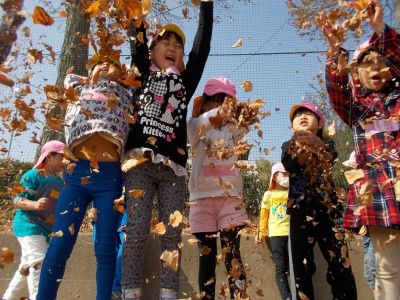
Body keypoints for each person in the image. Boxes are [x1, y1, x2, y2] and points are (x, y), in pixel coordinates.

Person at [121, 1, 214, 299]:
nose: (172, 46)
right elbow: (136, 30)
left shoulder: (185, 82)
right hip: (139, 163)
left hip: (173, 168)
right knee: (136, 229)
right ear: (151, 52)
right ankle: (130, 292)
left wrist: (207, 7)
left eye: (178, 45)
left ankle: (168, 293)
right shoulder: (141, 73)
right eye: (165, 41)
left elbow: (203, 43)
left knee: (172, 233)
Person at [318, 0, 400, 298]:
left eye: (381, 61)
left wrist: (380, 29)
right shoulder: (357, 109)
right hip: (379, 192)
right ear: (356, 75)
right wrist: (334, 51)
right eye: (366, 63)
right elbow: (336, 91)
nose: (375, 67)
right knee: (387, 267)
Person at [37, 59, 133, 300]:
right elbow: (69, 80)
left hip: (110, 176)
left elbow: (134, 80)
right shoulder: (78, 88)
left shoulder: (123, 91)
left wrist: (119, 77)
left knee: (104, 247)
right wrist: (90, 77)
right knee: (60, 244)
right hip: (78, 173)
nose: (105, 67)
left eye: (111, 65)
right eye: (99, 63)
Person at [281, 102, 357, 300]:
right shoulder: (287, 145)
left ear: (320, 124)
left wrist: (315, 142)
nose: (302, 116)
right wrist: (302, 146)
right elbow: (290, 163)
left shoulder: (328, 143)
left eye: (308, 113)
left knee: (340, 264)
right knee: (301, 268)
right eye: (297, 116)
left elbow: (329, 155)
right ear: (291, 128)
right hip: (299, 211)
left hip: (329, 211)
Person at [187, 77, 248, 300]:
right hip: (201, 201)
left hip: (230, 198)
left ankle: (240, 295)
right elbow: (199, 126)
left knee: (233, 254)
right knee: (207, 257)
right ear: (203, 105)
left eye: (225, 101)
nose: (220, 106)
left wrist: (241, 113)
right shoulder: (196, 126)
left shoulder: (232, 129)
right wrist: (220, 111)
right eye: (215, 101)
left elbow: (243, 129)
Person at [2, 140, 65, 300]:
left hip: (45, 230)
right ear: (50, 156)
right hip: (28, 226)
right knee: (39, 262)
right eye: (62, 157)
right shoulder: (32, 174)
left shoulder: (59, 182)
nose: (66, 161)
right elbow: (16, 199)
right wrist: (35, 204)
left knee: (26, 267)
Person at [257, 162, 291, 300]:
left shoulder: (291, 192)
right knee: (280, 268)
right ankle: (287, 297)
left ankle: (297, 294)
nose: (287, 177)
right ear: (275, 176)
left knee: (294, 267)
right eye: (284, 174)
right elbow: (264, 216)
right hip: (275, 234)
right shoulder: (268, 195)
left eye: (288, 174)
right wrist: (261, 233)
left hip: (291, 234)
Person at [343, 152, 376, 290]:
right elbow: (354, 211)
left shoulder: (369, 183)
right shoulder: (356, 185)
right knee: (371, 275)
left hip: (379, 233)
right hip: (368, 234)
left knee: (372, 273)